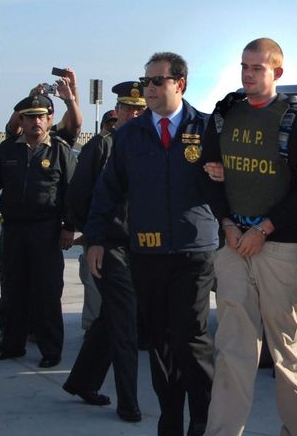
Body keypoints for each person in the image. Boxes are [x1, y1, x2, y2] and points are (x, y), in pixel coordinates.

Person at [199, 38, 297, 436]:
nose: (248, 75)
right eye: (244, 67)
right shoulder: (225, 114)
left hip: (281, 249)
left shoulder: (296, 119)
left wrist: (265, 228)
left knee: (286, 350)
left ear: (278, 73)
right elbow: (208, 172)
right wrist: (227, 223)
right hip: (234, 244)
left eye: (257, 68)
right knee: (233, 350)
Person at [86, 52, 218, 436]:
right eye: (147, 81)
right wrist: (94, 239)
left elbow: (231, 185)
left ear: (180, 84)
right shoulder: (129, 135)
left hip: (194, 250)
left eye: (158, 81)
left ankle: (203, 418)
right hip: (146, 252)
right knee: (158, 342)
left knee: (190, 337)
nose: (150, 89)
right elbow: (107, 191)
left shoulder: (208, 129)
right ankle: (170, 420)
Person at [0, 94, 76, 367]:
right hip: (14, 230)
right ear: (21, 119)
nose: (36, 121)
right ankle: (12, 345)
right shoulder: (8, 150)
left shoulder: (60, 151)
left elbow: (73, 194)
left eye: (41, 116)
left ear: (49, 119)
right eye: (30, 116)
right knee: (13, 289)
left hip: (47, 231)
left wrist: (69, 227)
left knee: (46, 291)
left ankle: (50, 350)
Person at [63, 81, 145, 421]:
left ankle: (82, 380)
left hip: (143, 247)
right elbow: (80, 193)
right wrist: (87, 235)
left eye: (140, 109)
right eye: (128, 108)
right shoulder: (102, 145)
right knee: (126, 324)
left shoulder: (151, 144)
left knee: (111, 319)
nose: (134, 114)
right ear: (117, 110)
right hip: (110, 245)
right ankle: (128, 402)